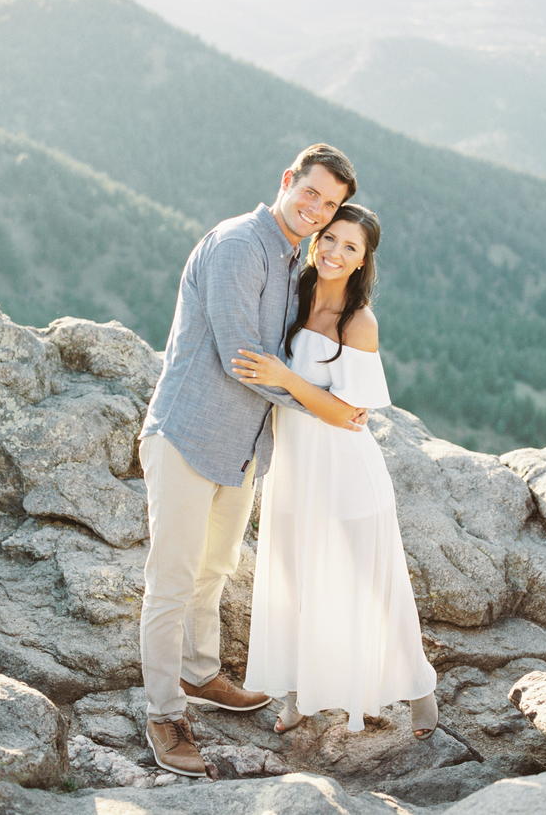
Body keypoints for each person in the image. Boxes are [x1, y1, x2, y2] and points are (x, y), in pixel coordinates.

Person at [138, 145, 365, 776]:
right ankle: (163, 712)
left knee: (215, 567)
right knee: (172, 580)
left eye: (332, 204)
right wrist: (322, 405)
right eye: (311, 194)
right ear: (288, 180)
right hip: (188, 433)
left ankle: (201, 672)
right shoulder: (241, 243)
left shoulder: (294, 254)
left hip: (241, 445)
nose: (318, 210)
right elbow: (245, 357)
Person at [233, 203, 438, 737]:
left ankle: (419, 691)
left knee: (373, 583)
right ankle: (298, 695)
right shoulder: (292, 294)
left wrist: (286, 377)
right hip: (294, 467)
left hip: (346, 469)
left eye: (351, 247)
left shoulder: (360, 321)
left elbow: (350, 417)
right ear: (316, 238)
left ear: (363, 261)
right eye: (330, 238)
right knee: (292, 580)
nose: (335, 252)